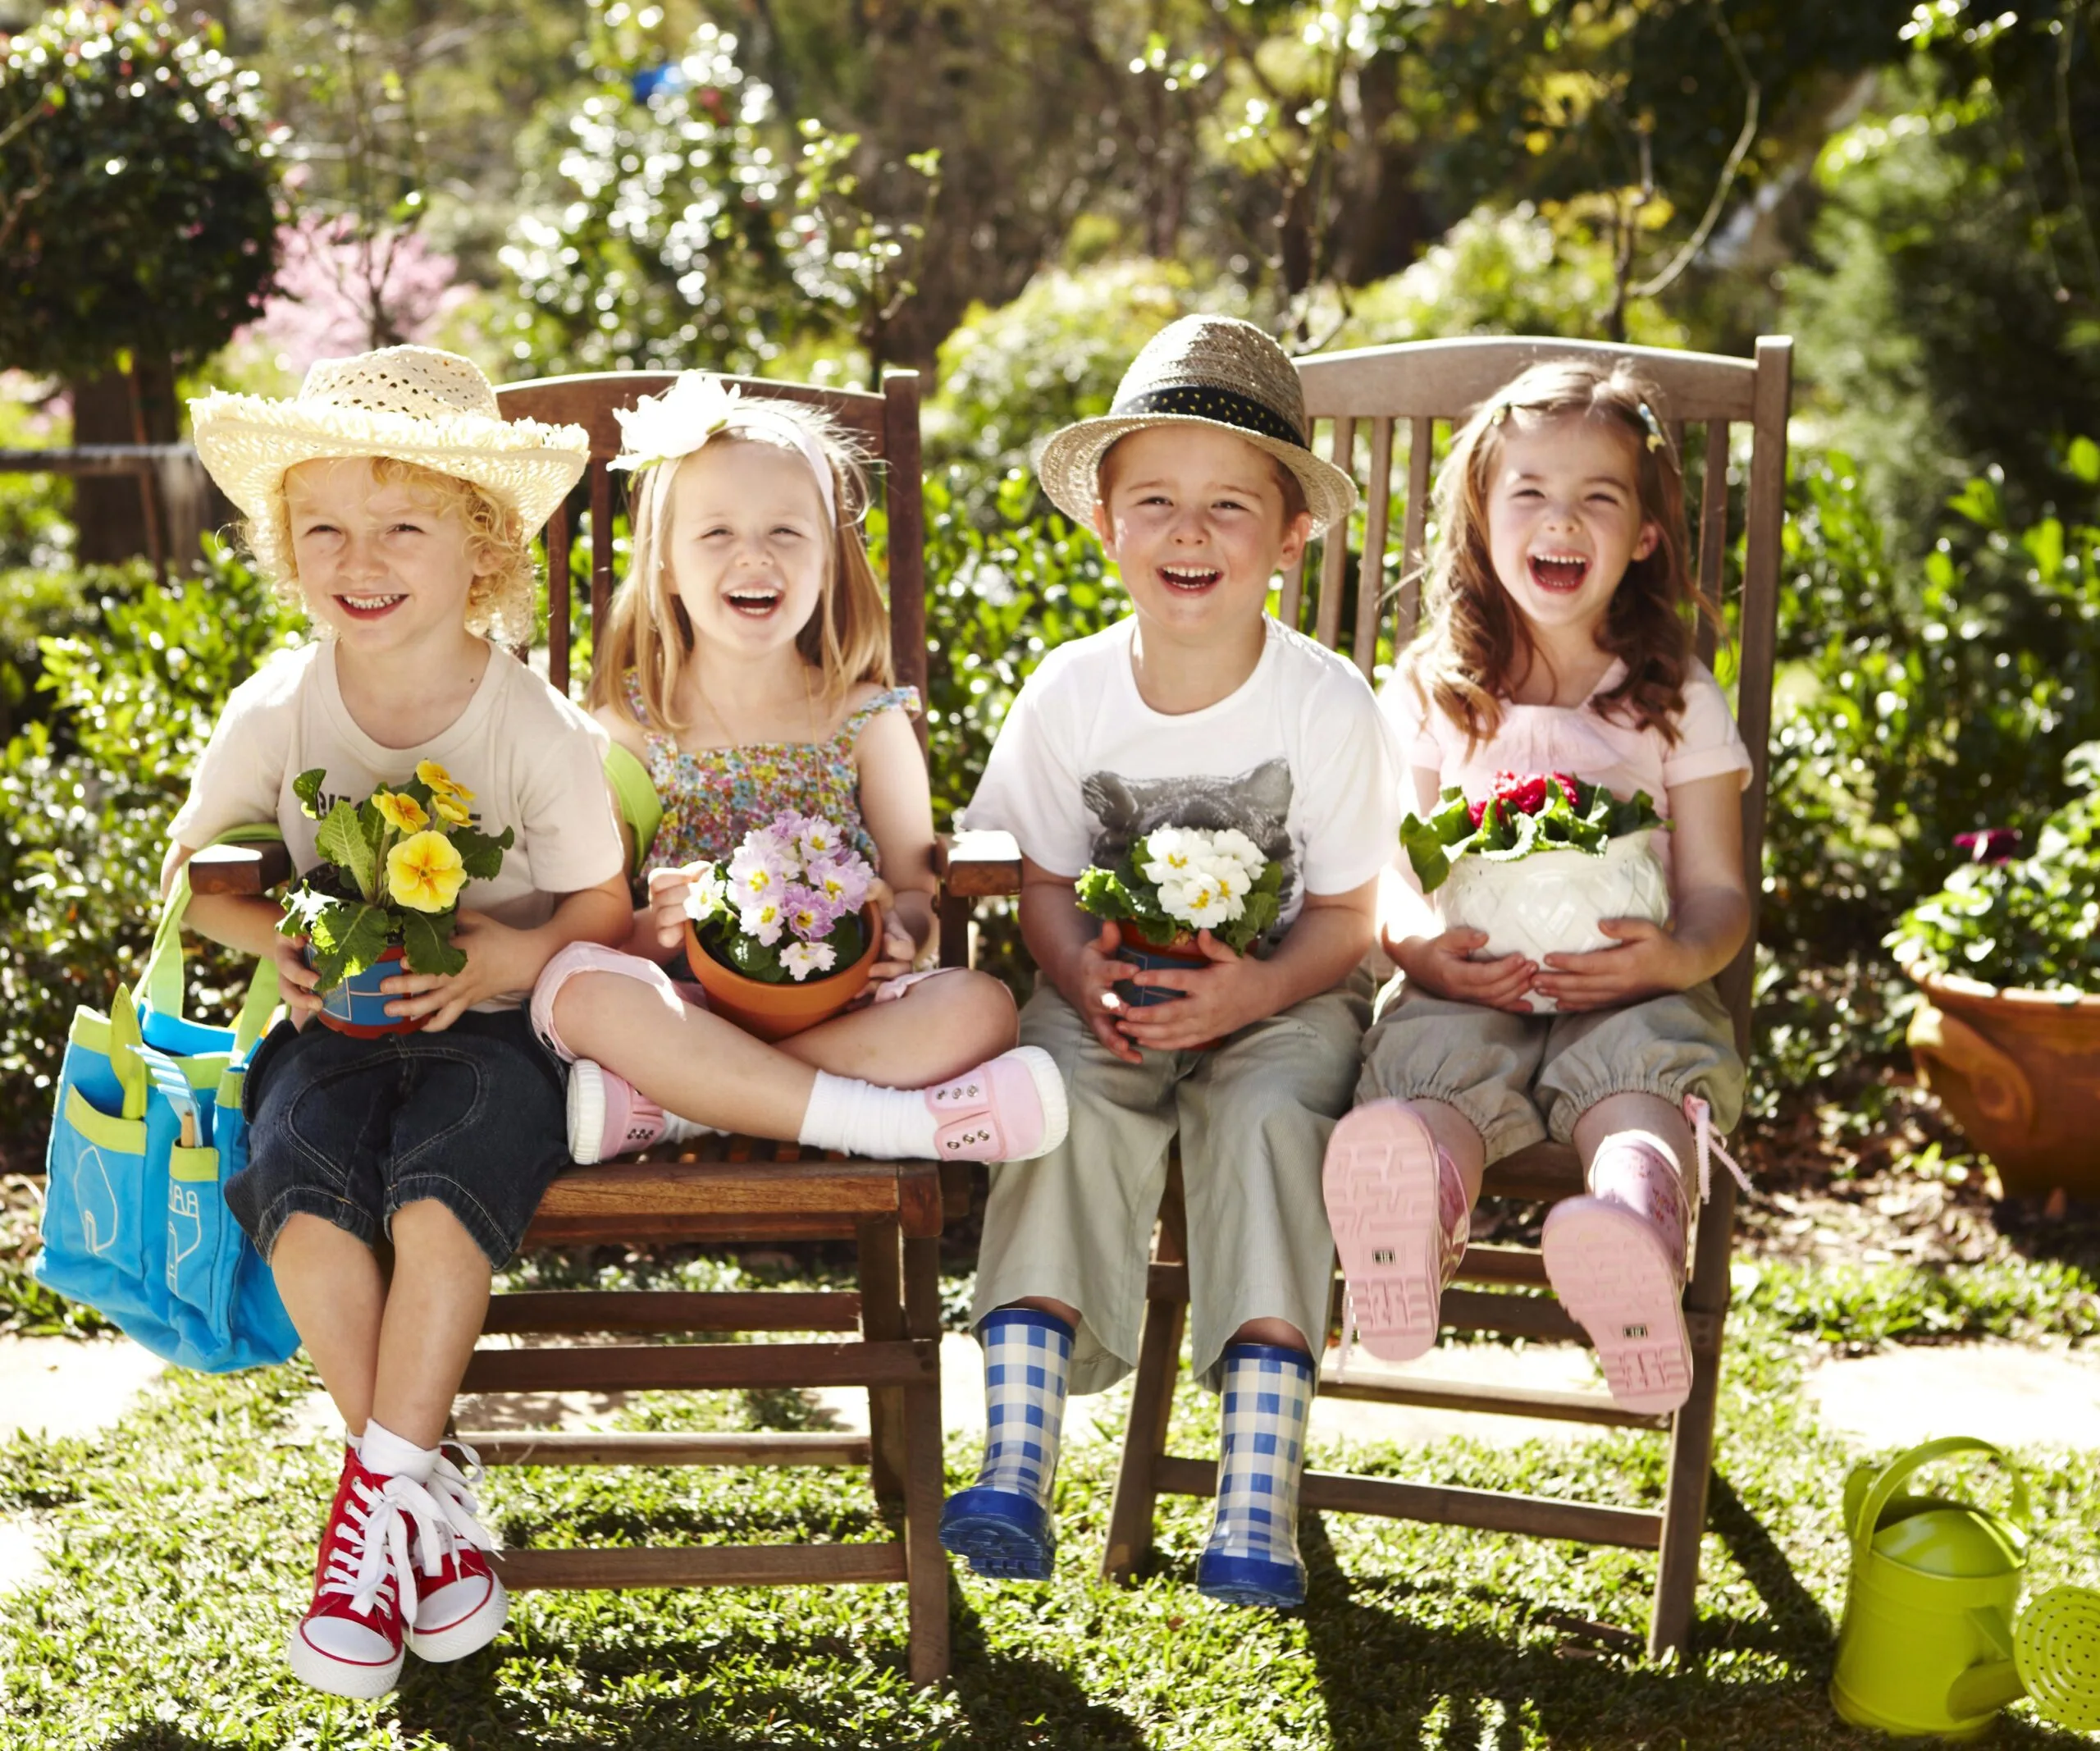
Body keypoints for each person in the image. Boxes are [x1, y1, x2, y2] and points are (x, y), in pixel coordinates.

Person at [167, 345, 632, 1698]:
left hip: (498, 1027)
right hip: (334, 1023)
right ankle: (424, 1511)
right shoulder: (282, 703)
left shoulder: (529, 723)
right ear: (288, 546)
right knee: (302, 1191)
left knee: (436, 1195)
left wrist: (512, 949)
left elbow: (606, 901)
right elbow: (199, 884)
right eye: (325, 528)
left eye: (403, 526)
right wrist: (288, 953)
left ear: (480, 548)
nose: (358, 559)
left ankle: (361, 1531)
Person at [940, 315, 1400, 1609]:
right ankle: (1016, 1460)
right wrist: (1079, 975)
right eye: (1157, 503)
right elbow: (1036, 874)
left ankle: (1258, 1494)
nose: (1189, 534)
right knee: (1056, 1100)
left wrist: (1253, 988)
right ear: (1107, 523)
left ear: (1290, 533)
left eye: (1227, 507)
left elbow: (1352, 913)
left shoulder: (1324, 702)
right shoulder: (1071, 692)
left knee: (1265, 1118)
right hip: (1109, 987)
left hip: (1285, 993)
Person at [1325, 357, 1753, 1418]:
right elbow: (1388, 858)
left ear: (1645, 534)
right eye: (1530, 493)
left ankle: (1636, 1225)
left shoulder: (1672, 695)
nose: (1561, 519)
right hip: (1470, 975)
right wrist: (1420, 943)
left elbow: (1718, 891)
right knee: (1427, 1061)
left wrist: (1675, 958)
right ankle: (1411, 1219)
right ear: (1481, 514)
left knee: (1645, 1070)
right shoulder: (1436, 685)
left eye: (1598, 498)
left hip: (1630, 978)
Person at [531, 373, 1066, 1169]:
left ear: (828, 562)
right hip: (689, 1005)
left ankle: (680, 1107)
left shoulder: (865, 721)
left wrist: (902, 931)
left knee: (981, 1005)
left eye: (786, 531)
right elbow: (601, 920)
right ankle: (892, 1119)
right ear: (666, 566)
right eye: (716, 534)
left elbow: (915, 891)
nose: (754, 554)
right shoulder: (632, 731)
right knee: (577, 985)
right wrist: (657, 926)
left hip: (842, 995)